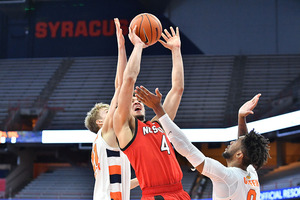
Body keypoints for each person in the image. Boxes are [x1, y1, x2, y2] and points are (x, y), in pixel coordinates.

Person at [134, 87, 270, 200]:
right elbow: (244, 142)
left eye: (235, 142)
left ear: (239, 155)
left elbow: (187, 148)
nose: (232, 141)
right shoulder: (251, 173)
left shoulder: (227, 177)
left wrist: (158, 108)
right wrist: (241, 117)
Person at [113, 25, 190, 200]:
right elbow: (129, 80)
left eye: (138, 99)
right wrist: (138, 46)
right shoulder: (125, 128)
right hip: (156, 195)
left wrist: (176, 51)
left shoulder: (159, 123)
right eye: (131, 101)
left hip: (180, 192)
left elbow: (178, 89)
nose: (136, 101)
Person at [84, 18, 138, 200]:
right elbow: (121, 86)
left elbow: (123, 185)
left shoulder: (110, 143)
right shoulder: (105, 134)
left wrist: (142, 179)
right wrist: (122, 48)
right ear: (101, 123)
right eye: (107, 112)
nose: (113, 112)